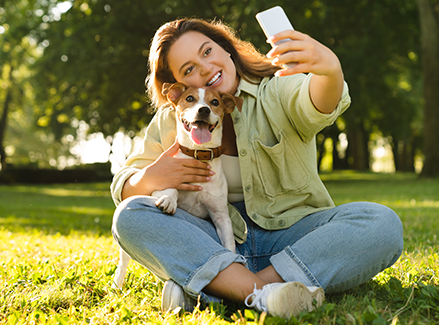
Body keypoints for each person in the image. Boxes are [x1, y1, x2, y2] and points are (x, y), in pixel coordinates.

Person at [110, 17, 403, 318]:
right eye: (188, 70)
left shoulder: (275, 91)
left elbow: (318, 101)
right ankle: (266, 293)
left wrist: (329, 70)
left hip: (293, 237)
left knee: (382, 224)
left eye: (207, 52)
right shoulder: (171, 121)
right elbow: (124, 185)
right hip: (211, 239)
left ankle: (224, 290)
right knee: (131, 215)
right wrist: (150, 177)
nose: (205, 68)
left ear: (226, 49)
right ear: (178, 86)